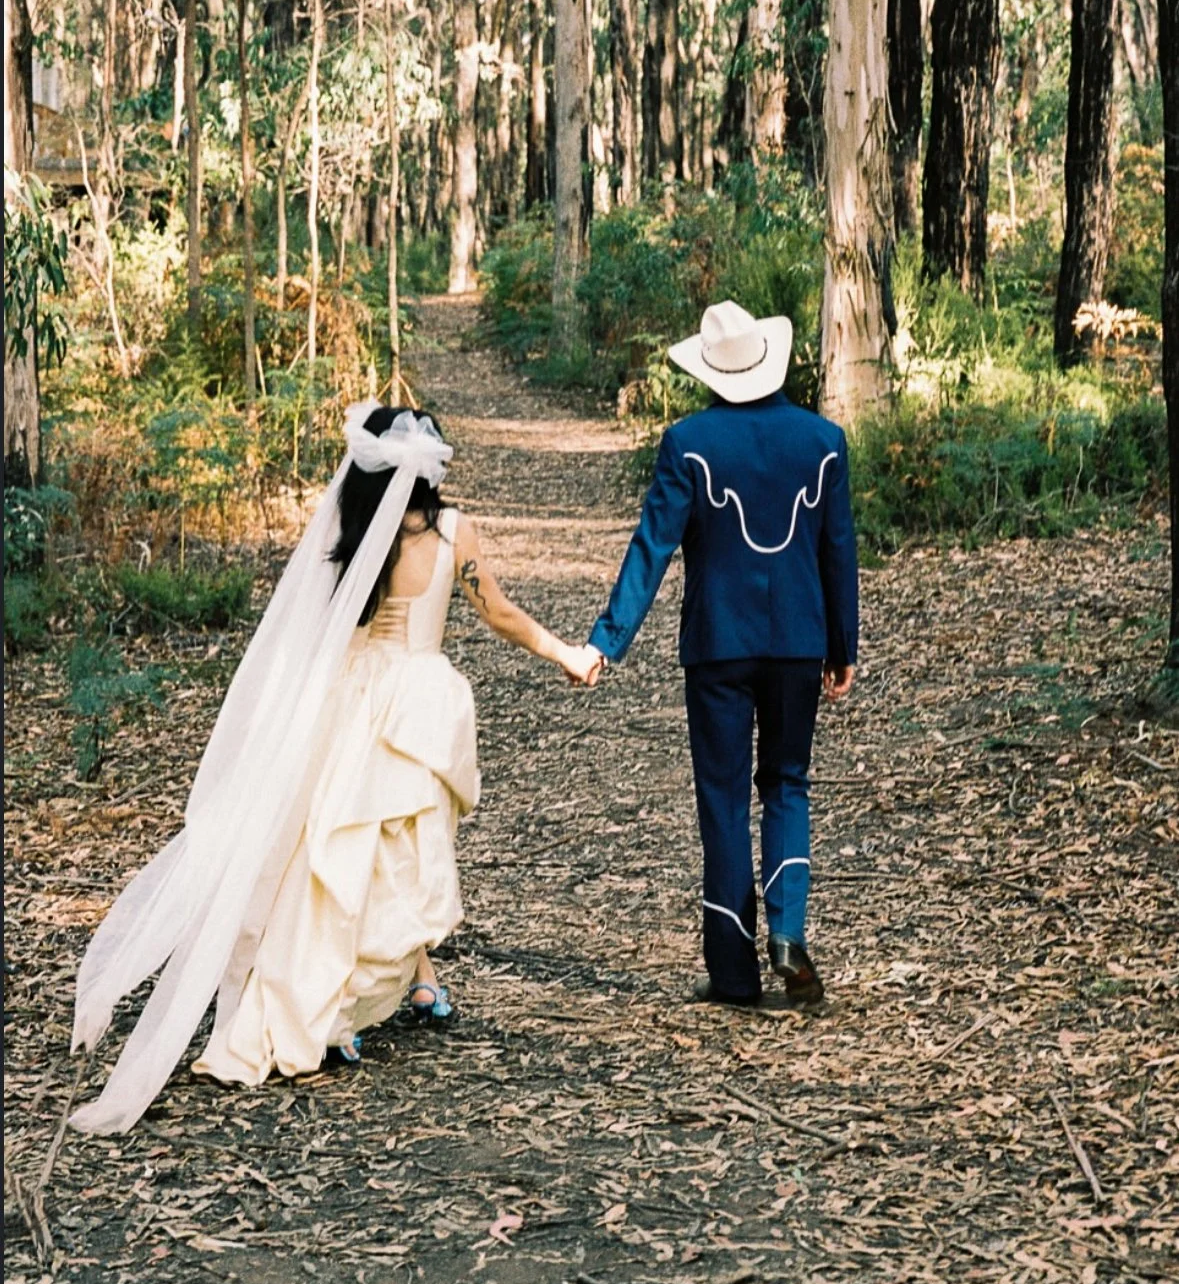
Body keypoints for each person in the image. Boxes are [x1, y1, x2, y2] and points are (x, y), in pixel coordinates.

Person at [70, 404, 598, 1133]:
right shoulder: (453, 533)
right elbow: (498, 612)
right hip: (416, 700)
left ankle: (414, 981)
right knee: (395, 850)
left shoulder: (349, 535)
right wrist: (565, 651)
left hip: (349, 696)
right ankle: (340, 1005)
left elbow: (317, 630)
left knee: (344, 849)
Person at [582, 301, 858, 1007]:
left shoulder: (688, 442)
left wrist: (606, 640)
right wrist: (841, 643)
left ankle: (734, 972)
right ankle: (788, 931)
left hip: (717, 646)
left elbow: (652, 545)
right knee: (787, 783)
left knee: (724, 799)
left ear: (710, 371)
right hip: (798, 642)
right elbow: (836, 551)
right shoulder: (822, 441)